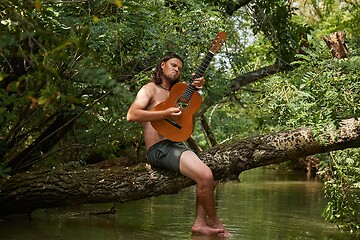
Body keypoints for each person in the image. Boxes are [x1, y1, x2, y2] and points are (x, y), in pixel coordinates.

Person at [127, 53, 230, 237]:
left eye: (180, 68)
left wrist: (197, 88)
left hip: (177, 146)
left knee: (208, 177)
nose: (176, 69)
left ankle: (200, 223)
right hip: (158, 149)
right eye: (173, 65)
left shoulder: (178, 93)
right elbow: (132, 115)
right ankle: (215, 222)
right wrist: (164, 113)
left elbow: (188, 112)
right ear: (162, 65)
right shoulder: (149, 89)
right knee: (205, 175)